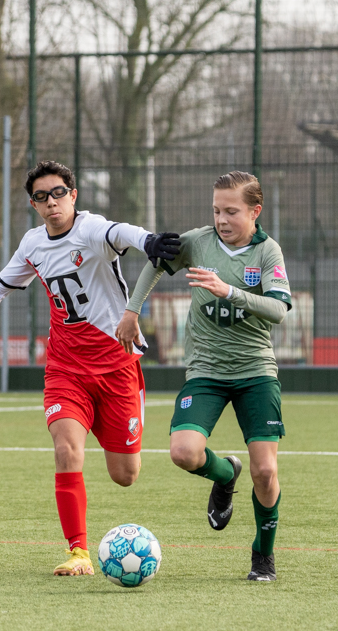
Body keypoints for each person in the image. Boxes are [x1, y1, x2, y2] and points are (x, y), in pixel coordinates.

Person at [0, 160, 181, 577]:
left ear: (73, 196)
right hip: (65, 369)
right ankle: (78, 552)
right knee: (66, 448)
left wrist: (150, 241)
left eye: (57, 193)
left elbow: (120, 232)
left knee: (125, 475)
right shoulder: (33, 244)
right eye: (41, 197)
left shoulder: (90, 229)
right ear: (32, 204)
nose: (51, 202)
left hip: (116, 367)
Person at [115, 170, 292, 582]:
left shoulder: (268, 253)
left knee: (266, 471)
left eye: (231, 211)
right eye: (216, 210)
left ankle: (262, 556)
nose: (222, 219)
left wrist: (227, 290)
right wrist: (131, 310)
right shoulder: (198, 242)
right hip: (207, 370)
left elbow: (279, 310)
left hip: (255, 372)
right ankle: (226, 474)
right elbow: (155, 265)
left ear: (255, 211)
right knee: (183, 453)